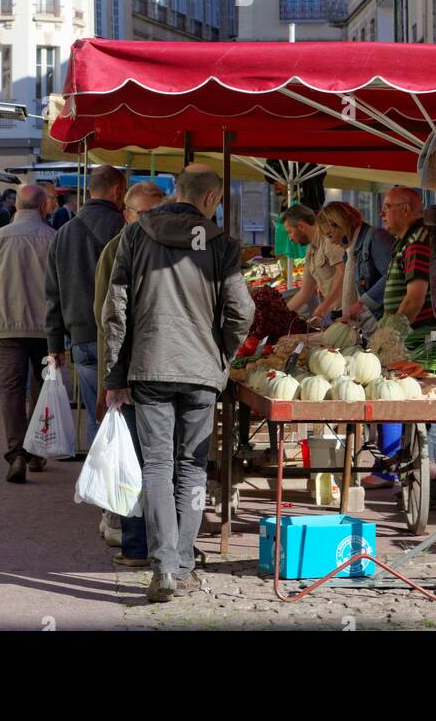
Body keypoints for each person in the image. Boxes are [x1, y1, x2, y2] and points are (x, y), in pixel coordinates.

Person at [103, 167, 254, 604]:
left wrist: (116, 374)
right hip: (200, 369)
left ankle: (163, 564)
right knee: (191, 467)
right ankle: (181, 562)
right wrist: (220, 356)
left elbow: (116, 307)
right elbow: (240, 310)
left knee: (156, 466)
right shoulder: (221, 243)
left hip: (148, 364)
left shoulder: (136, 235)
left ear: (177, 193)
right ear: (210, 200)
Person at [93, 180, 166, 566]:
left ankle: (161, 546)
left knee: (159, 461)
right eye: (144, 214)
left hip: (162, 372)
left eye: (157, 213)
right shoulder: (116, 250)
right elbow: (108, 318)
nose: (151, 221)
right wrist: (112, 380)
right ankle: (137, 544)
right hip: (132, 372)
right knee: (134, 460)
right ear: (127, 214)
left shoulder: (166, 246)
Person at [0, 184, 59, 483]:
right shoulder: (53, 238)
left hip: (7, 326)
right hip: (45, 328)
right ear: (42, 207)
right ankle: (36, 450)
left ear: (16, 206)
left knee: (12, 391)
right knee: (40, 390)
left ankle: (16, 454)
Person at [375, 186, 436, 501]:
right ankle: (427, 480)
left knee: (429, 407)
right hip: (421, 337)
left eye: (388, 206)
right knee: (421, 407)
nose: (383, 213)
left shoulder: (418, 242)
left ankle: (434, 484)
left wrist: (392, 330)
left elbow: (416, 295)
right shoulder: (409, 240)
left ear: (406, 209)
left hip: (427, 340)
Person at [45, 166, 127, 447]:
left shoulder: (63, 233)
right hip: (118, 339)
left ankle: (95, 486)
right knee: (124, 416)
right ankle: (120, 486)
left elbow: (52, 293)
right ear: (117, 190)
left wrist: (54, 344)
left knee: (96, 414)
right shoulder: (124, 228)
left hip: (79, 338)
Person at [320, 202, 394, 323]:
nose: (332, 241)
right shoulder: (349, 252)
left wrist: (362, 303)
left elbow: (392, 276)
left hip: (384, 323)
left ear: (341, 224)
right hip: (369, 325)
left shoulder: (376, 237)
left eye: (330, 235)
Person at [282, 204, 346, 325]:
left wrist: (324, 306)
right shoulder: (311, 251)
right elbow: (304, 292)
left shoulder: (328, 240)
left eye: (289, 232)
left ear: (301, 226)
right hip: (335, 314)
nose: (290, 238)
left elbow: (345, 273)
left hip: (347, 312)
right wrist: (281, 315)